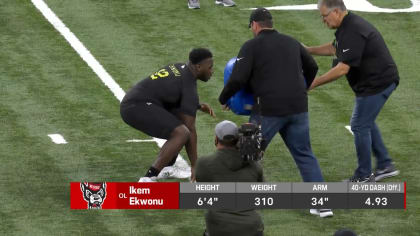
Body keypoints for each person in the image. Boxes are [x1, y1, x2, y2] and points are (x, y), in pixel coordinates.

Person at [218, 8, 333, 218]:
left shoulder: (251, 46)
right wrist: (303, 87)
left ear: (254, 25)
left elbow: (238, 79)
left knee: (247, 154)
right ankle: (322, 204)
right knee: (305, 154)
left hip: (268, 110)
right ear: (271, 23)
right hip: (298, 107)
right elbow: (313, 66)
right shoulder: (292, 42)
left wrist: (224, 98)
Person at [304, 0, 400, 182]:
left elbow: (342, 69)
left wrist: (314, 83)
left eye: (324, 16)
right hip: (373, 82)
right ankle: (385, 164)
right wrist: (308, 50)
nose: (323, 20)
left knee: (359, 125)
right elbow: (335, 48)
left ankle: (363, 175)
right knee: (366, 121)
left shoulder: (353, 29)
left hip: (377, 83)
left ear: (337, 12)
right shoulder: (347, 26)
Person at [120, 48, 216, 182]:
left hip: (135, 101)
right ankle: (148, 178)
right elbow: (190, 130)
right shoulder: (189, 87)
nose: (212, 71)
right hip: (136, 106)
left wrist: (197, 106)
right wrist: (195, 165)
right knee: (182, 133)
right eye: (210, 67)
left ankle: (167, 167)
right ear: (198, 67)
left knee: (178, 122)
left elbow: (170, 94)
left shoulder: (179, 66)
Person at [196, 120, 264, 236]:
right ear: (238, 139)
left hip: (219, 228)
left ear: (216, 139)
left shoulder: (204, 163)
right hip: (252, 228)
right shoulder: (254, 165)